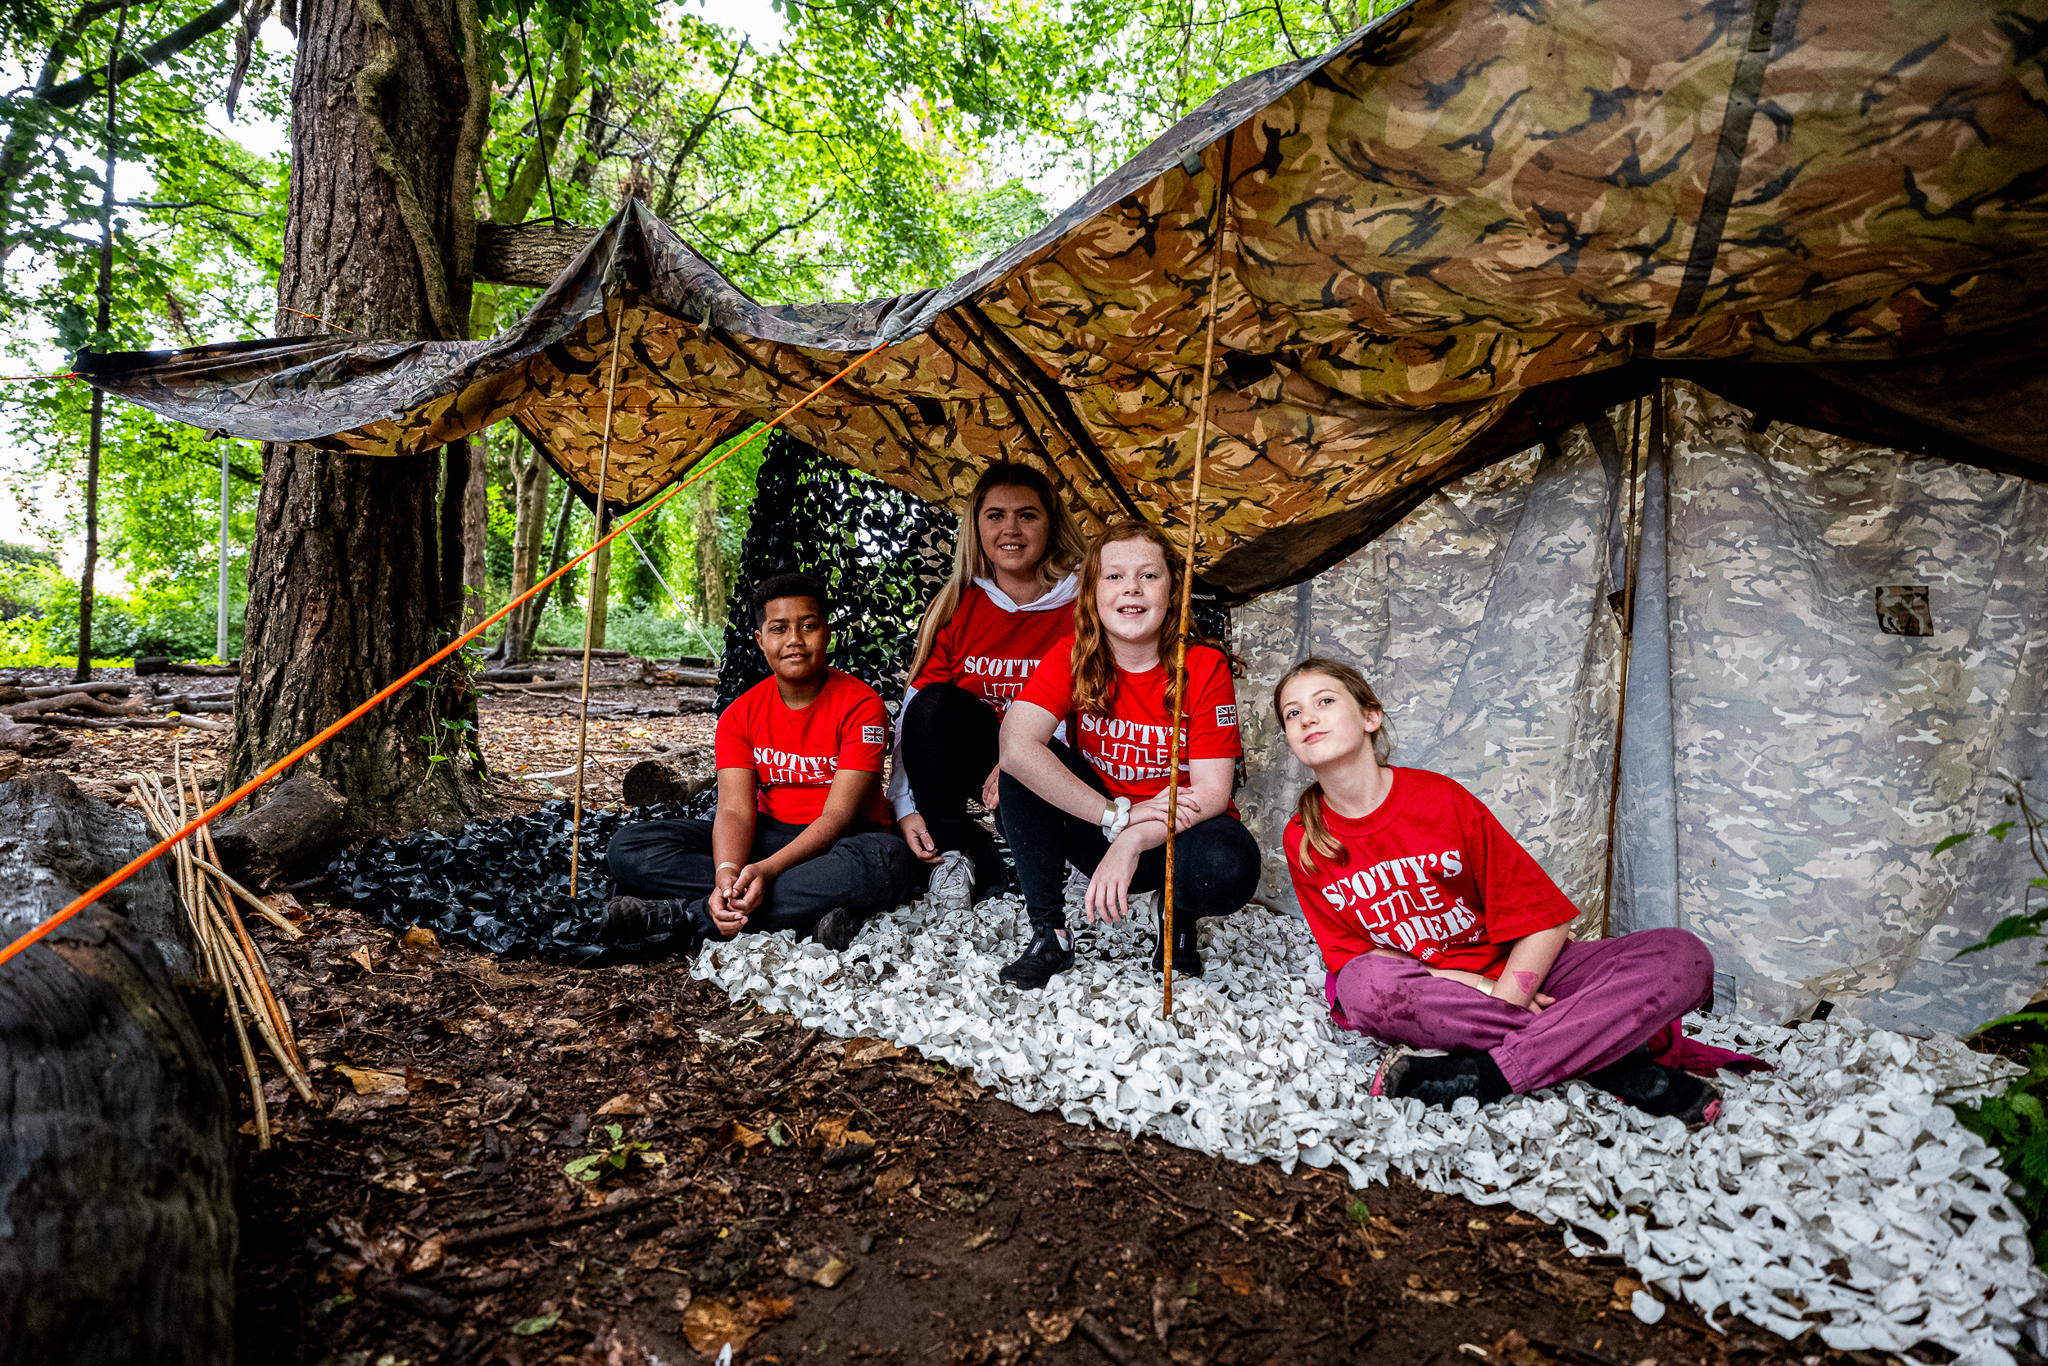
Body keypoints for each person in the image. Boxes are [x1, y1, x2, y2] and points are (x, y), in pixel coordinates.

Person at [1272, 656, 1763, 1126]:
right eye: (1293, 713)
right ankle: (1616, 1066)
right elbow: (1355, 962)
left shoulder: (1439, 800)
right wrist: (1490, 993)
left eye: (1325, 702)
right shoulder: (1306, 840)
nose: (1308, 719)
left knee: (1682, 955)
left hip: (1525, 969)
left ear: (1370, 717)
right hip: (1441, 992)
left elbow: (1546, 919)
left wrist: (1509, 990)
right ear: (1290, 739)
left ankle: (1487, 1076)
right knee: (1364, 988)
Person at [994, 520, 1261, 990]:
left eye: (1149, 576)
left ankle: (1176, 918)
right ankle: (1050, 933)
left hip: (1175, 833)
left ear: (1172, 591)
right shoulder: (1072, 655)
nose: (1131, 588)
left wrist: (1133, 838)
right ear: (1093, 594)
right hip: (1099, 824)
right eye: (1114, 576)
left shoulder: (1202, 665)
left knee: (1229, 864)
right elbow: (1015, 745)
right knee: (1022, 767)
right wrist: (1115, 818)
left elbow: (1214, 793)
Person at [601, 572, 922, 954]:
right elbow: (735, 810)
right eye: (779, 629)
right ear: (760, 640)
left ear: (827, 633)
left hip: (844, 840)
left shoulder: (862, 706)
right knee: (630, 847)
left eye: (808, 626)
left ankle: (688, 917)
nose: (794, 641)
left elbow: (836, 818)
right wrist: (727, 873)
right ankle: (800, 913)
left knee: (882, 864)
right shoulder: (740, 714)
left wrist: (766, 871)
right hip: (768, 835)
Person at [892, 463, 1084, 908]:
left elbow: (1096, 707)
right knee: (934, 705)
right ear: (976, 527)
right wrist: (905, 807)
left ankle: (1081, 853)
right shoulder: (957, 604)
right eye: (995, 515)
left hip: (1061, 761)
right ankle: (958, 852)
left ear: (1051, 524)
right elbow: (915, 712)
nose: (1010, 529)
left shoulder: (1084, 604)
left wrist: (1024, 758)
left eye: (1027, 515)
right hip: (984, 765)